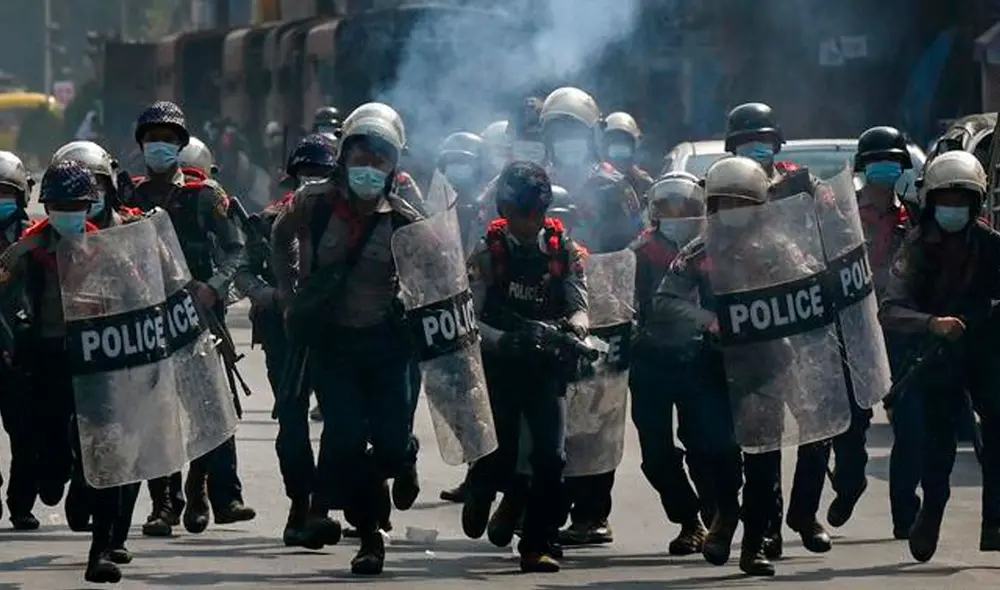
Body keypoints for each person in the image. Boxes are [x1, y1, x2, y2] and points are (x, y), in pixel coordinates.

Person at [270, 102, 424, 576]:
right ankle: (371, 534)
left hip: (386, 345)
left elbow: (432, 270)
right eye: (361, 156)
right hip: (333, 343)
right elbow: (278, 237)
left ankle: (406, 458)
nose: (369, 167)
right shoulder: (314, 203)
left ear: (394, 164)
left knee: (393, 445)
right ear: (344, 156)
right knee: (348, 437)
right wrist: (289, 294)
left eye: (381, 158)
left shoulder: (404, 216)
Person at [0, 161, 142, 583]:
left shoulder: (111, 250)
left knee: (105, 456)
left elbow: (139, 295)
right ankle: (61, 475)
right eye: (60, 205)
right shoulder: (24, 252)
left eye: (76, 205)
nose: (69, 213)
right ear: (46, 206)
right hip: (45, 364)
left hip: (99, 362)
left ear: (89, 206)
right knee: (50, 459)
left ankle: (101, 550)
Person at [129, 101, 255, 537]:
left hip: (199, 317)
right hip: (146, 320)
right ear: (140, 145)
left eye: (168, 139)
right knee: (154, 414)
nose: (159, 147)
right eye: (151, 139)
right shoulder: (129, 197)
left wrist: (214, 286)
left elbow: (239, 249)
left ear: (181, 146)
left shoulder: (205, 196)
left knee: (210, 407)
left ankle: (213, 491)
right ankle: (164, 502)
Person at [651, 156, 777, 576]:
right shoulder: (698, 251)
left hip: (765, 364)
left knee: (763, 460)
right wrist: (708, 320)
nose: (733, 210)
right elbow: (665, 300)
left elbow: (809, 287)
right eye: (725, 202)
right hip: (714, 365)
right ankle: (725, 513)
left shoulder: (780, 249)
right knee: (718, 450)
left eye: (742, 202)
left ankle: (754, 544)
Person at [461, 160, 588, 573]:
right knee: (501, 452)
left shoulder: (561, 248)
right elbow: (469, 317)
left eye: (537, 212)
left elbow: (579, 303)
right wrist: (502, 339)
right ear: (505, 210)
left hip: (545, 362)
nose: (529, 222)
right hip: (500, 363)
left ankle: (537, 543)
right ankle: (483, 489)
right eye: (520, 213)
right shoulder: (486, 252)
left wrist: (574, 330)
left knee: (551, 458)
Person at [722, 102, 834, 558]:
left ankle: (804, 513)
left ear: (777, 144)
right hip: (750, 335)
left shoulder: (802, 181)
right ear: (732, 148)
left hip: (801, 323)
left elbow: (837, 226)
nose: (758, 151)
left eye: (764, 143)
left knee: (818, 427)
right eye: (748, 143)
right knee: (763, 439)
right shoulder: (724, 184)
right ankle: (765, 529)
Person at [879, 150, 1000, 562]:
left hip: (985, 350)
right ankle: (930, 512)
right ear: (930, 202)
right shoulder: (914, 248)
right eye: (944, 201)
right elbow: (891, 308)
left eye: (961, 201)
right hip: (937, 353)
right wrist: (932, 323)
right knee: (938, 445)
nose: (953, 209)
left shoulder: (991, 244)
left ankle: (995, 522)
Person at [539, 86, 640, 546]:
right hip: (549, 313)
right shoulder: (535, 183)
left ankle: (592, 513)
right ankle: (546, 507)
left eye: (573, 131)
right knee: (554, 412)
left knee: (600, 414)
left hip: (604, 312)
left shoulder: (615, 185)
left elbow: (634, 249)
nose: (565, 140)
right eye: (557, 131)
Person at [234, 133, 344, 547]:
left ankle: (323, 504)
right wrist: (273, 296)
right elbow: (244, 271)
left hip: (335, 331)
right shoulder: (268, 220)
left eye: (321, 175)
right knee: (293, 423)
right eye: (305, 175)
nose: (310, 183)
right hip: (283, 333)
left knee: (341, 419)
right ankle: (300, 505)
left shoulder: (348, 223)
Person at [629, 172, 709, 555]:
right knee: (655, 454)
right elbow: (620, 304)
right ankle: (688, 519)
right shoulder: (639, 253)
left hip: (700, 359)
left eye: (687, 208)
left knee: (707, 445)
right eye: (669, 208)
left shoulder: (713, 248)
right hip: (652, 359)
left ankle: (716, 510)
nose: (678, 215)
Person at [0, 151, 36, 532]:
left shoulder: (36, 238)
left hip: (23, 349)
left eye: (4, 192)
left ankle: (21, 503)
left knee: (25, 433)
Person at [602, 112, 654, 201]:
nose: (619, 157)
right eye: (614, 140)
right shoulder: (596, 181)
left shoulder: (643, 182)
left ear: (634, 147)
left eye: (624, 141)